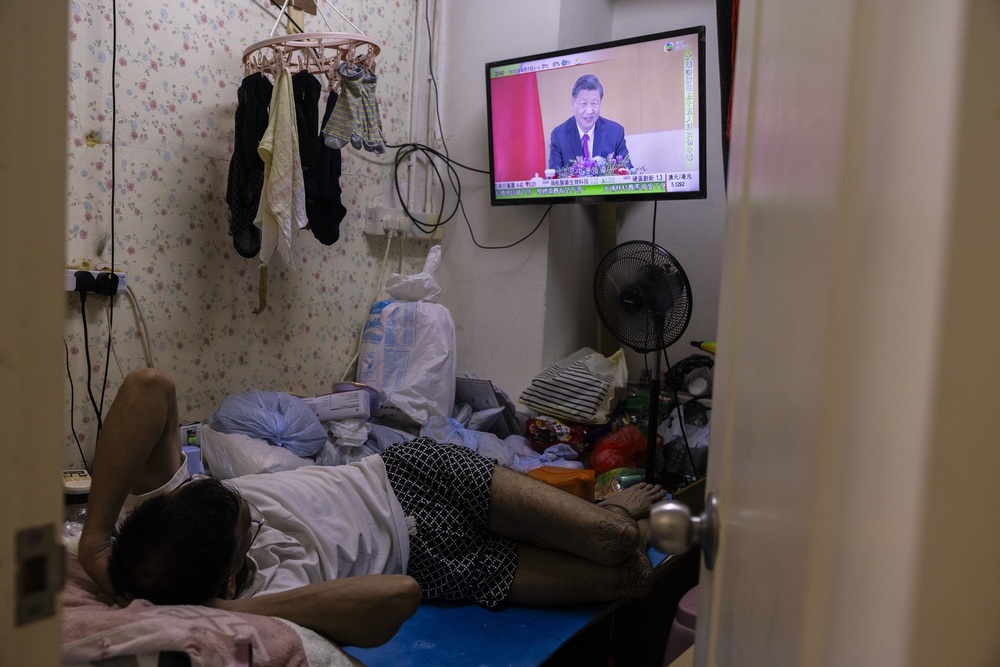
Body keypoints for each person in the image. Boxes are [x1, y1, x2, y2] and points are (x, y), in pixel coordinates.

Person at [78, 368, 667, 648]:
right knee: (632, 576)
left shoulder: (173, 516)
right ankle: (613, 519)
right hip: (436, 562)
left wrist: (96, 540)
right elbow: (397, 595)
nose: (255, 514)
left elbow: (149, 387)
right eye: (249, 527)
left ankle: (617, 510)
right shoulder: (256, 604)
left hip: (409, 476)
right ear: (229, 583)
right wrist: (214, 607)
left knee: (615, 537)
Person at [548, 74, 630, 171]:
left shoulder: (615, 132)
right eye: (583, 104)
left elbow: (627, 171)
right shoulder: (559, 136)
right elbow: (555, 178)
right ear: (573, 102)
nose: (589, 111)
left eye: (594, 103)